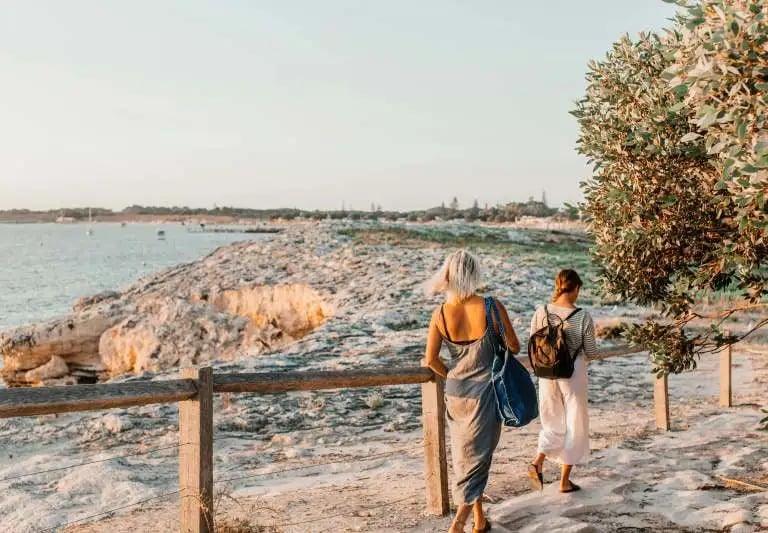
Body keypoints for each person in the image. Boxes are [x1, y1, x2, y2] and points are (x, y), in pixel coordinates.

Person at [423, 250, 521, 533]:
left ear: (448, 276)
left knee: (466, 456)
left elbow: (431, 360)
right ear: (474, 273)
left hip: (456, 392)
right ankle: (457, 525)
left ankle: (479, 520)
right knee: (479, 459)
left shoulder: (440, 313)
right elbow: (514, 346)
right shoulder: (491, 306)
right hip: (485, 393)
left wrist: (454, 375)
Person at [528, 269, 597, 493]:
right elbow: (592, 351)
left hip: (546, 372)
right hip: (572, 372)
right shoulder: (583, 316)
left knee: (552, 419)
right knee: (574, 422)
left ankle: (538, 461)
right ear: (576, 288)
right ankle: (564, 481)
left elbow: (532, 341)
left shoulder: (541, 311)